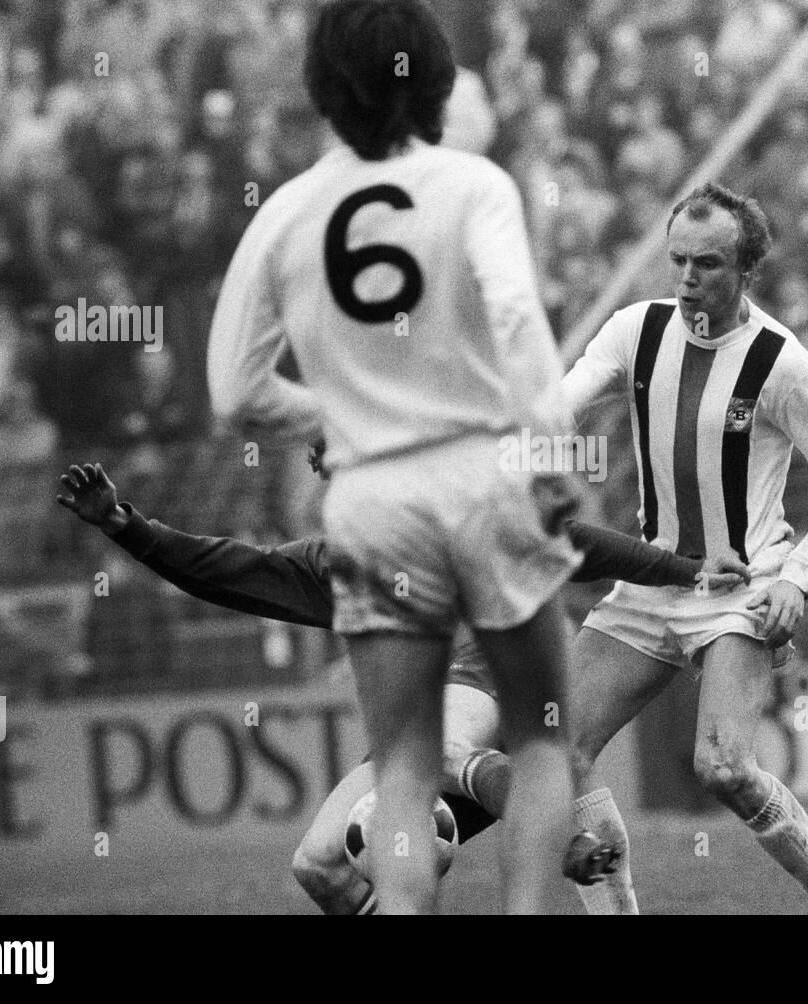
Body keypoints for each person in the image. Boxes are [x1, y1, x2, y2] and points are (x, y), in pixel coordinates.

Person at [206, 0, 577, 913]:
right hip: (480, 472)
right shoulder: (474, 184)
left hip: (369, 500)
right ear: (437, 82)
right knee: (541, 738)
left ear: (323, 90)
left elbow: (235, 392)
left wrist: (336, 424)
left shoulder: (287, 212)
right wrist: (551, 456)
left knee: (403, 765)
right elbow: (522, 322)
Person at [55, 458, 749, 914]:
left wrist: (685, 569)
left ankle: (561, 835)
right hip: (435, 715)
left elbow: (579, 544)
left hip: (505, 673)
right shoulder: (337, 563)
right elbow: (223, 570)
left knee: (435, 746)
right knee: (320, 864)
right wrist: (126, 526)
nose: (323, 465)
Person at [557, 182, 808, 915]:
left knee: (725, 768)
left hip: (741, 590)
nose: (687, 279)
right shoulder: (637, 330)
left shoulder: (783, 364)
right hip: (649, 582)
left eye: (707, 264)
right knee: (557, 749)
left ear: (747, 271)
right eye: (678, 261)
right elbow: (557, 404)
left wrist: (798, 578)